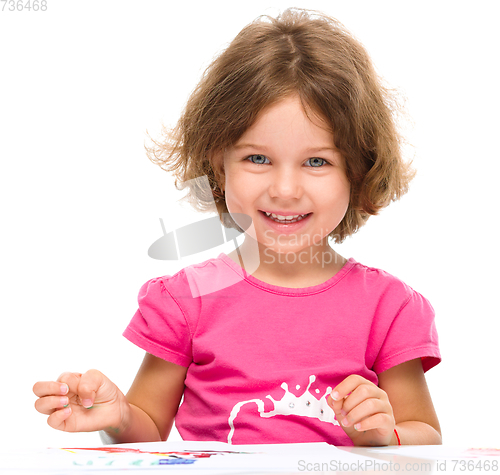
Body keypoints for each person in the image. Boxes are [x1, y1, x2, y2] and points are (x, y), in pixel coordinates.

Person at [33, 8, 442, 447]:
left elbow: (426, 435)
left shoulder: (388, 308)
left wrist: (385, 433)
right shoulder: (185, 301)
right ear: (218, 164)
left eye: (317, 161)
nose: (285, 190)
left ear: (358, 172)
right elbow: (147, 430)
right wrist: (115, 416)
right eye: (258, 158)